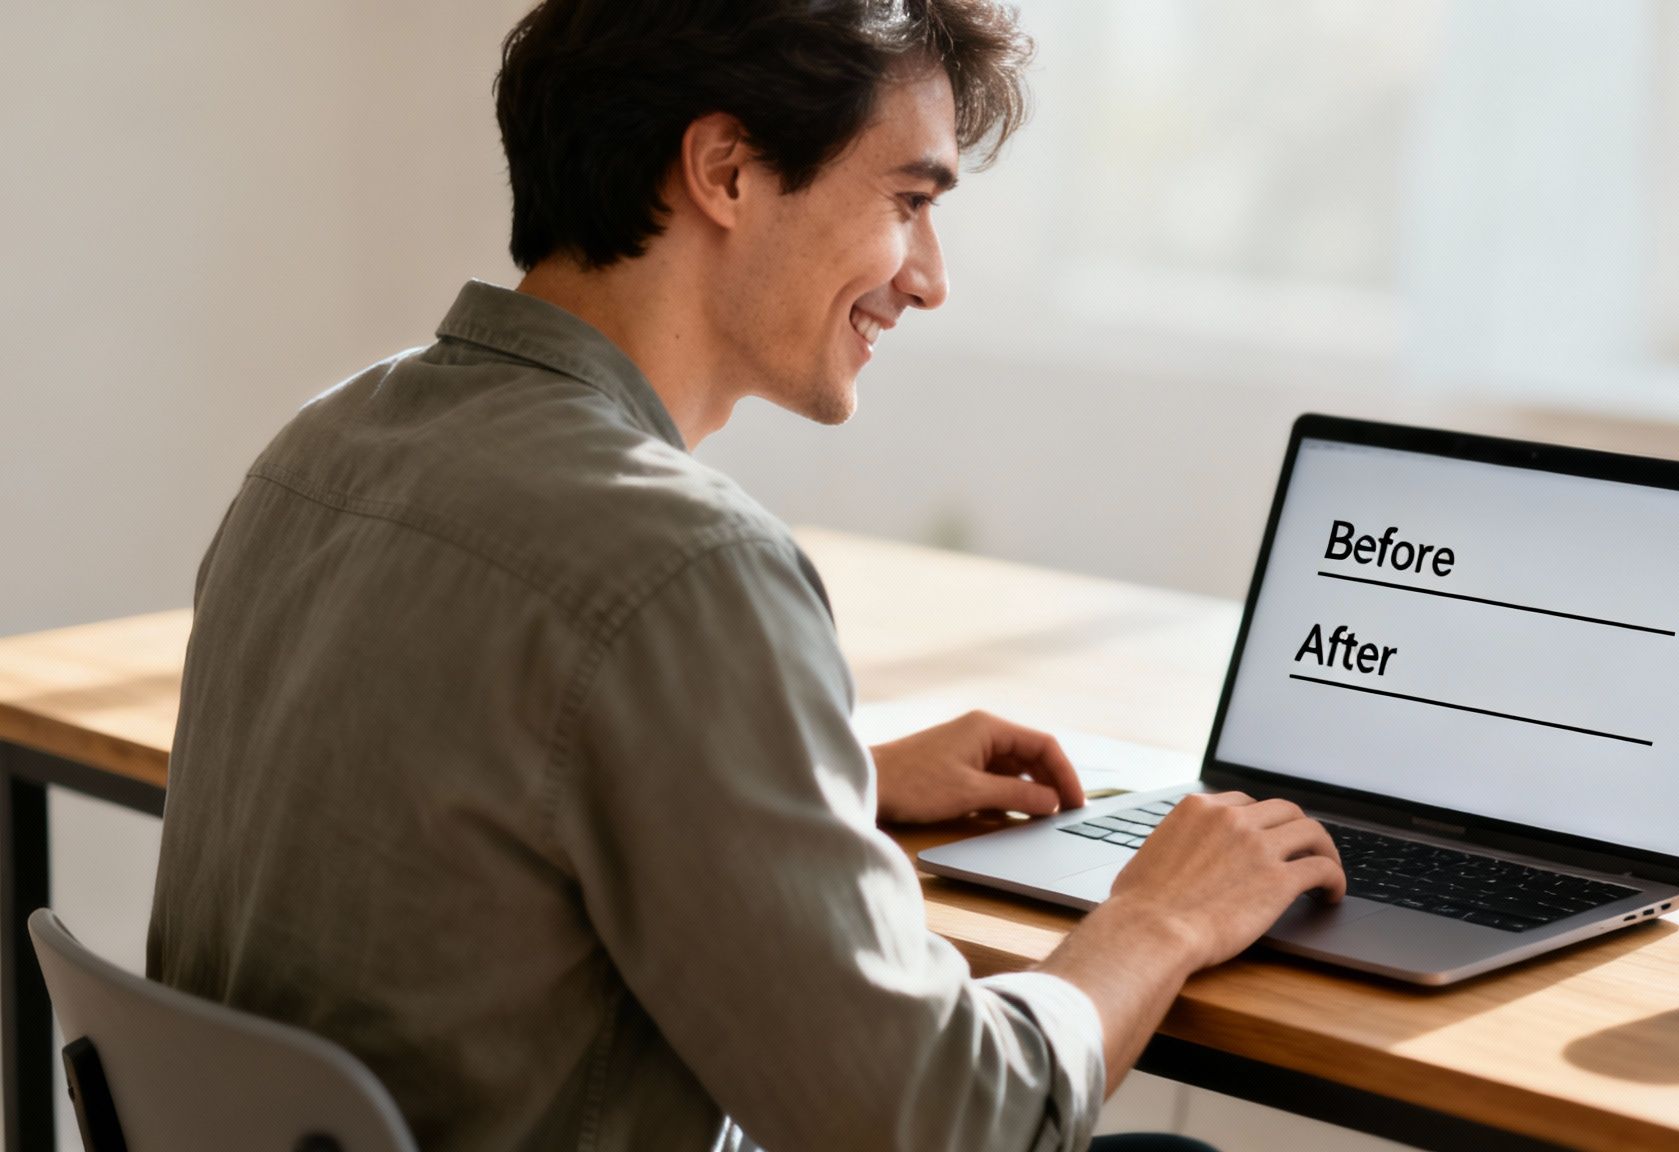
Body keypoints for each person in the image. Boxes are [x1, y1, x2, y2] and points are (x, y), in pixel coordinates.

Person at [146, 2, 1345, 1149]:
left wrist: (807, 788)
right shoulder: (680, 562)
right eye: (907, 201)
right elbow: (942, 1126)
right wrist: (1156, 918)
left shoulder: (320, 450)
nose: (928, 277)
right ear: (724, 171)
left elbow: (453, 790)